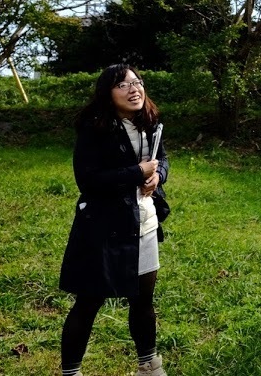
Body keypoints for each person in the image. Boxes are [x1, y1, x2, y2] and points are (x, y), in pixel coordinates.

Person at [59, 64, 170, 376]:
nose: (134, 89)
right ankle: (71, 372)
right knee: (89, 301)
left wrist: (157, 176)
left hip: (144, 222)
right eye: (123, 85)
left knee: (143, 300)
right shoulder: (94, 128)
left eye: (137, 82)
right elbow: (88, 180)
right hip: (105, 228)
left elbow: (162, 159)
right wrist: (138, 172)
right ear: (107, 93)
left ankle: (148, 366)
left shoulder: (149, 122)